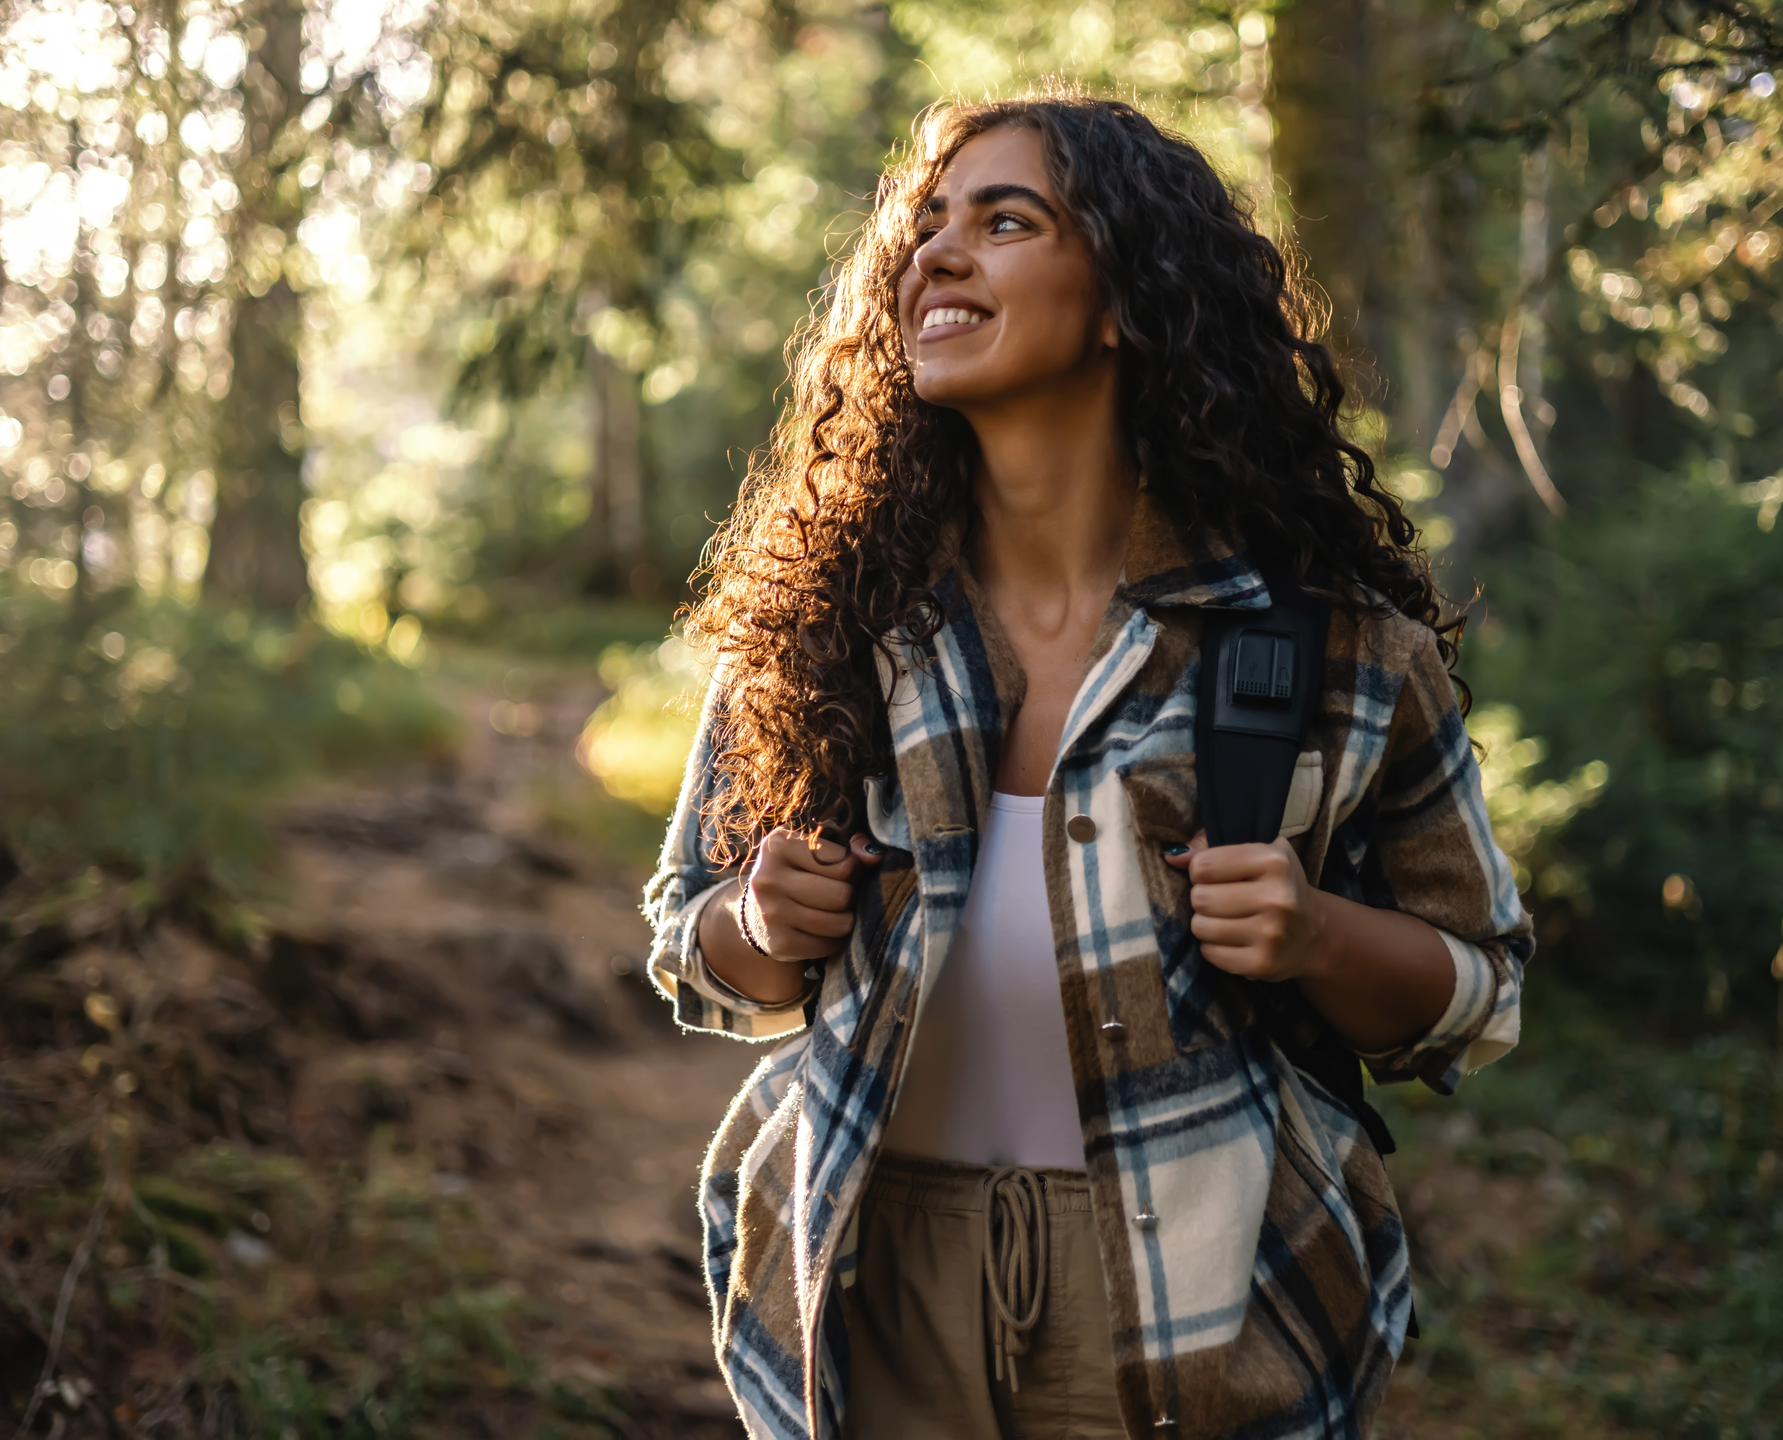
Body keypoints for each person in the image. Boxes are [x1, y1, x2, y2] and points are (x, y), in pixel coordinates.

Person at [644, 91, 1530, 1440]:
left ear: (1127, 296)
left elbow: (1480, 987)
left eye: (1005, 222)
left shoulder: (1330, 649)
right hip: (871, 1276)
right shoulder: (823, 631)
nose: (937, 253)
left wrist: (1315, 936)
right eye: (927, 228)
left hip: (1203, 1301)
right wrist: (757, 918)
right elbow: (692, 952)